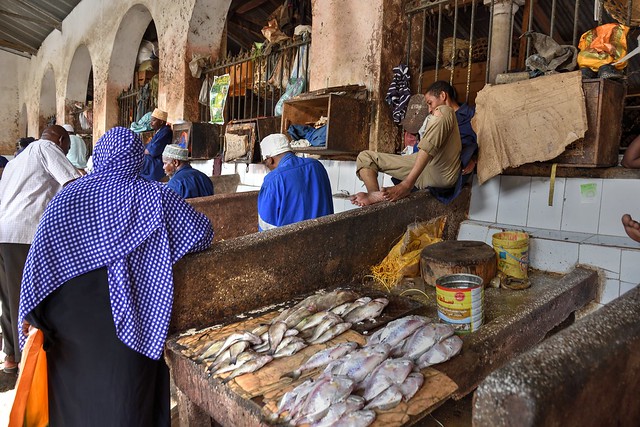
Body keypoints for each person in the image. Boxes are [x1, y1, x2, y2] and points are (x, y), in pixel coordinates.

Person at [18, 127, 214, 425]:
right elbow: (202, 233)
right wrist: (156, 248)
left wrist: (30, 314)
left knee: (72, 397)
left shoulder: (66, 197)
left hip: (68, 321)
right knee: (126, 398)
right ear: (137, 158)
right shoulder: (156, 196)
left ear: (101, 156)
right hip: (131, 318)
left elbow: (39, 262)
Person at [0, 125, 80, 374]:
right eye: (67, 147)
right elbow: (74, 185)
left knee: (8, 299)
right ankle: (28, 367)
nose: (66, 151)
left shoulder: (17, 159)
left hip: (5, 232)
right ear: (63, 140)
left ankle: (11, 358)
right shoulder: (47, 147)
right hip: (25, 234)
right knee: (23, 300)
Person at [351, 81, 462, 206]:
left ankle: (407, 184)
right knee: (365, 156)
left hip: (441, 170)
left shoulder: (451, 113)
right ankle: (374, 194)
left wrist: (406, 185)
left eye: (430, 103)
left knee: (444, 111)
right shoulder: (434, 118)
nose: (430, 109)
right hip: (422, 166)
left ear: (443, 96)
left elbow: (474, 147)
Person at [258, 134, 333, 231]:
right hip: (325, 236)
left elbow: (266, 226)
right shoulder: (317, 165)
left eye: (265, 163)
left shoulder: (273, 179)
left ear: (269, 160)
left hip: (293, 243)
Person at [140, 108, 173, 181]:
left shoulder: (166, 132)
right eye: (151, 120)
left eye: (154, 120)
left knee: (141, 160)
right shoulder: (159, 131)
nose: (151, 123)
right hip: (153, 160)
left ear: (161, 122)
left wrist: (144, 151)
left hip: (158, 162)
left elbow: (154, 151)